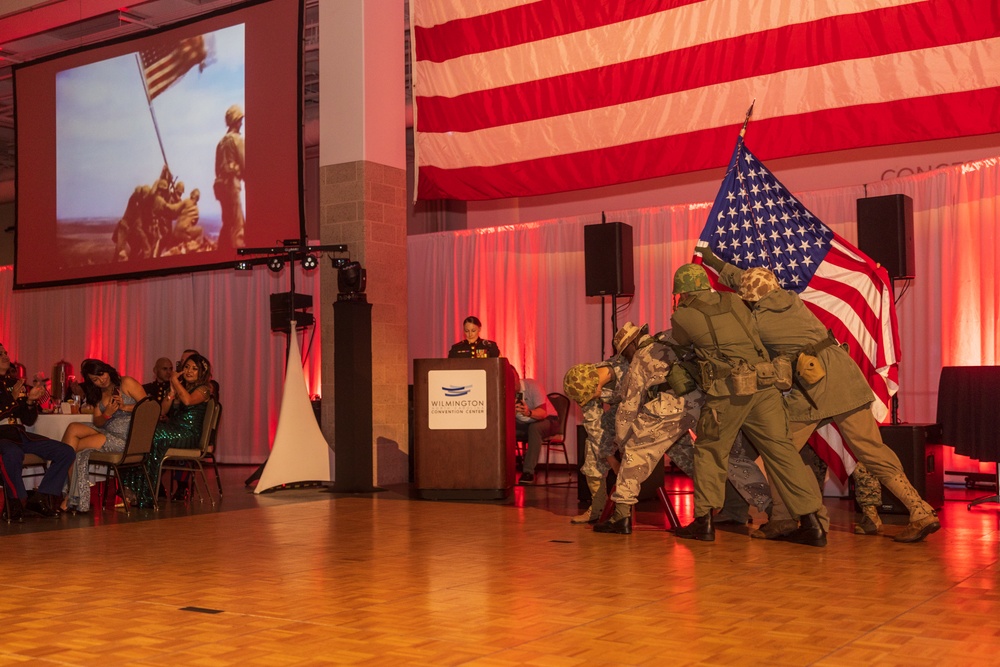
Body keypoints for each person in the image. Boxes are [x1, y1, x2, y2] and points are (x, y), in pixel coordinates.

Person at [701, 251, 940, 543]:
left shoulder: (759, 323)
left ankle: (783, 519)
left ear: (751, 299)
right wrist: (713, 260)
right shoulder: (789, 298)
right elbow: (745, 279)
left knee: (781, 452)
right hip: (844, 374)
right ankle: (920, 511)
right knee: (872, 450)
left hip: (814, 387)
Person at [669, 263, 827, 546]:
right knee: (782, 451)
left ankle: (703, 521)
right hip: (765, 384)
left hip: (730, 391)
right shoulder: (733, 298)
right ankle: (813, 523)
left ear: (682, 292)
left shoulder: (683, 315)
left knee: (709, 450)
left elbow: (680, 343)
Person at [125, 353, 214, 506]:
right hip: (173, 429)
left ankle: (147, 493)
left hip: (189, 434)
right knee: (144, 432)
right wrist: (172, 391)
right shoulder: (181, 388)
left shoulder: (204, 389)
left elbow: (188, 400)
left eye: (194, 369)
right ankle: (133, 487)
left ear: (202, 373)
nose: (189, 371)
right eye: (186, 367)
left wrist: (174, 381)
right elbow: (162, 411)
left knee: (156, 436)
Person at [60, 359, 147, 513]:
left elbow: (148, 407)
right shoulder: (98, 393)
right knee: (72, 428)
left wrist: (125, 407)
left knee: (74, 449)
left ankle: (73, 495)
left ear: (107, 370)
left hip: (126, 437)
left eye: (102, 375)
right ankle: (73, 493)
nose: (101, 380)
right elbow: (98, 422)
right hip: (106, 430)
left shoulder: (126, 383)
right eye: (95, 379)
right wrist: (107, 414)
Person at [0, 343, 75, 520]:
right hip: (2, 435)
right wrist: (12, 399)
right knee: (12, 453)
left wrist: (30, 402)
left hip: (18, 433)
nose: (5, 356)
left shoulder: (14, 384)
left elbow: (28, 419)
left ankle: (41, 497)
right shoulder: (13, 388)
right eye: (0, 354)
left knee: (65, 451)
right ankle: (16, 503)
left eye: (5, 353)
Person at [563, 355, 628, 523]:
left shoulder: (627, 368)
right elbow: (594, 426)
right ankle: (598, 507)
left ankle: (704, 502)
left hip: (643, 410)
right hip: (619, 411)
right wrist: (611, 459)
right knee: (592, 444)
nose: (590, 400)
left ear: (595, 384)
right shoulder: (584, 385)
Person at [513, 369, 557, 485]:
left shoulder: (532, 386)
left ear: (517, 378)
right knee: (502, 429)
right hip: (523, 422)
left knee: (534, 428)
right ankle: (502, 470)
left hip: (548, 419)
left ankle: (528, 472)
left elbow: (543, 413)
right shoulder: (502, 390)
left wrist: (528, 412)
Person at [214, 104, 246, 251]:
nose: (242, 122)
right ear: (236, 120)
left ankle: (222, 251)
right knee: (237, 223)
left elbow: (216, 168)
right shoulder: (237, 140)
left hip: (220, 185)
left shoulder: (220, 143)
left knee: (227, 222)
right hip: (232, 184)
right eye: (240, 119)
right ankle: (237, 253)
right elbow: (244, 163)